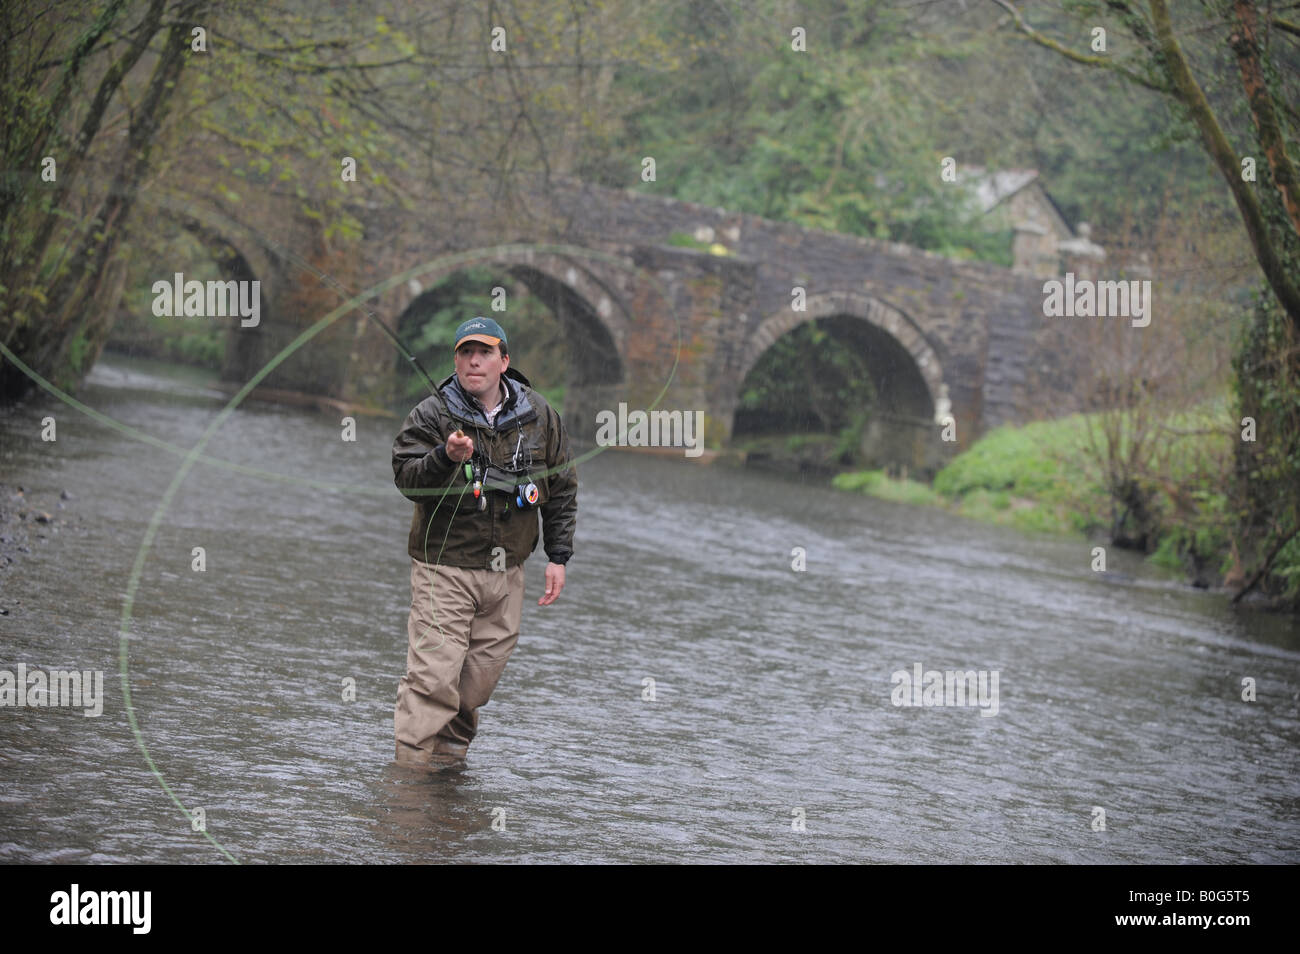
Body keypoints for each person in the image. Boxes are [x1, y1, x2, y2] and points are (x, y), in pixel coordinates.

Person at [391, 316, 577, 768]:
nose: (474, 360)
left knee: (478, 683)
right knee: (434, 678)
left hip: (507, 571)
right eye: (465, 353)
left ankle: (448, 765)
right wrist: (443, 457)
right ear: (455, 361)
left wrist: (558, 556)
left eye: (485, 352)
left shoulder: (540, 415)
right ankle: (410, 782)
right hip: (445, 567)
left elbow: (563, 487)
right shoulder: (432, 413)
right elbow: (406, 478)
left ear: (504, 361)